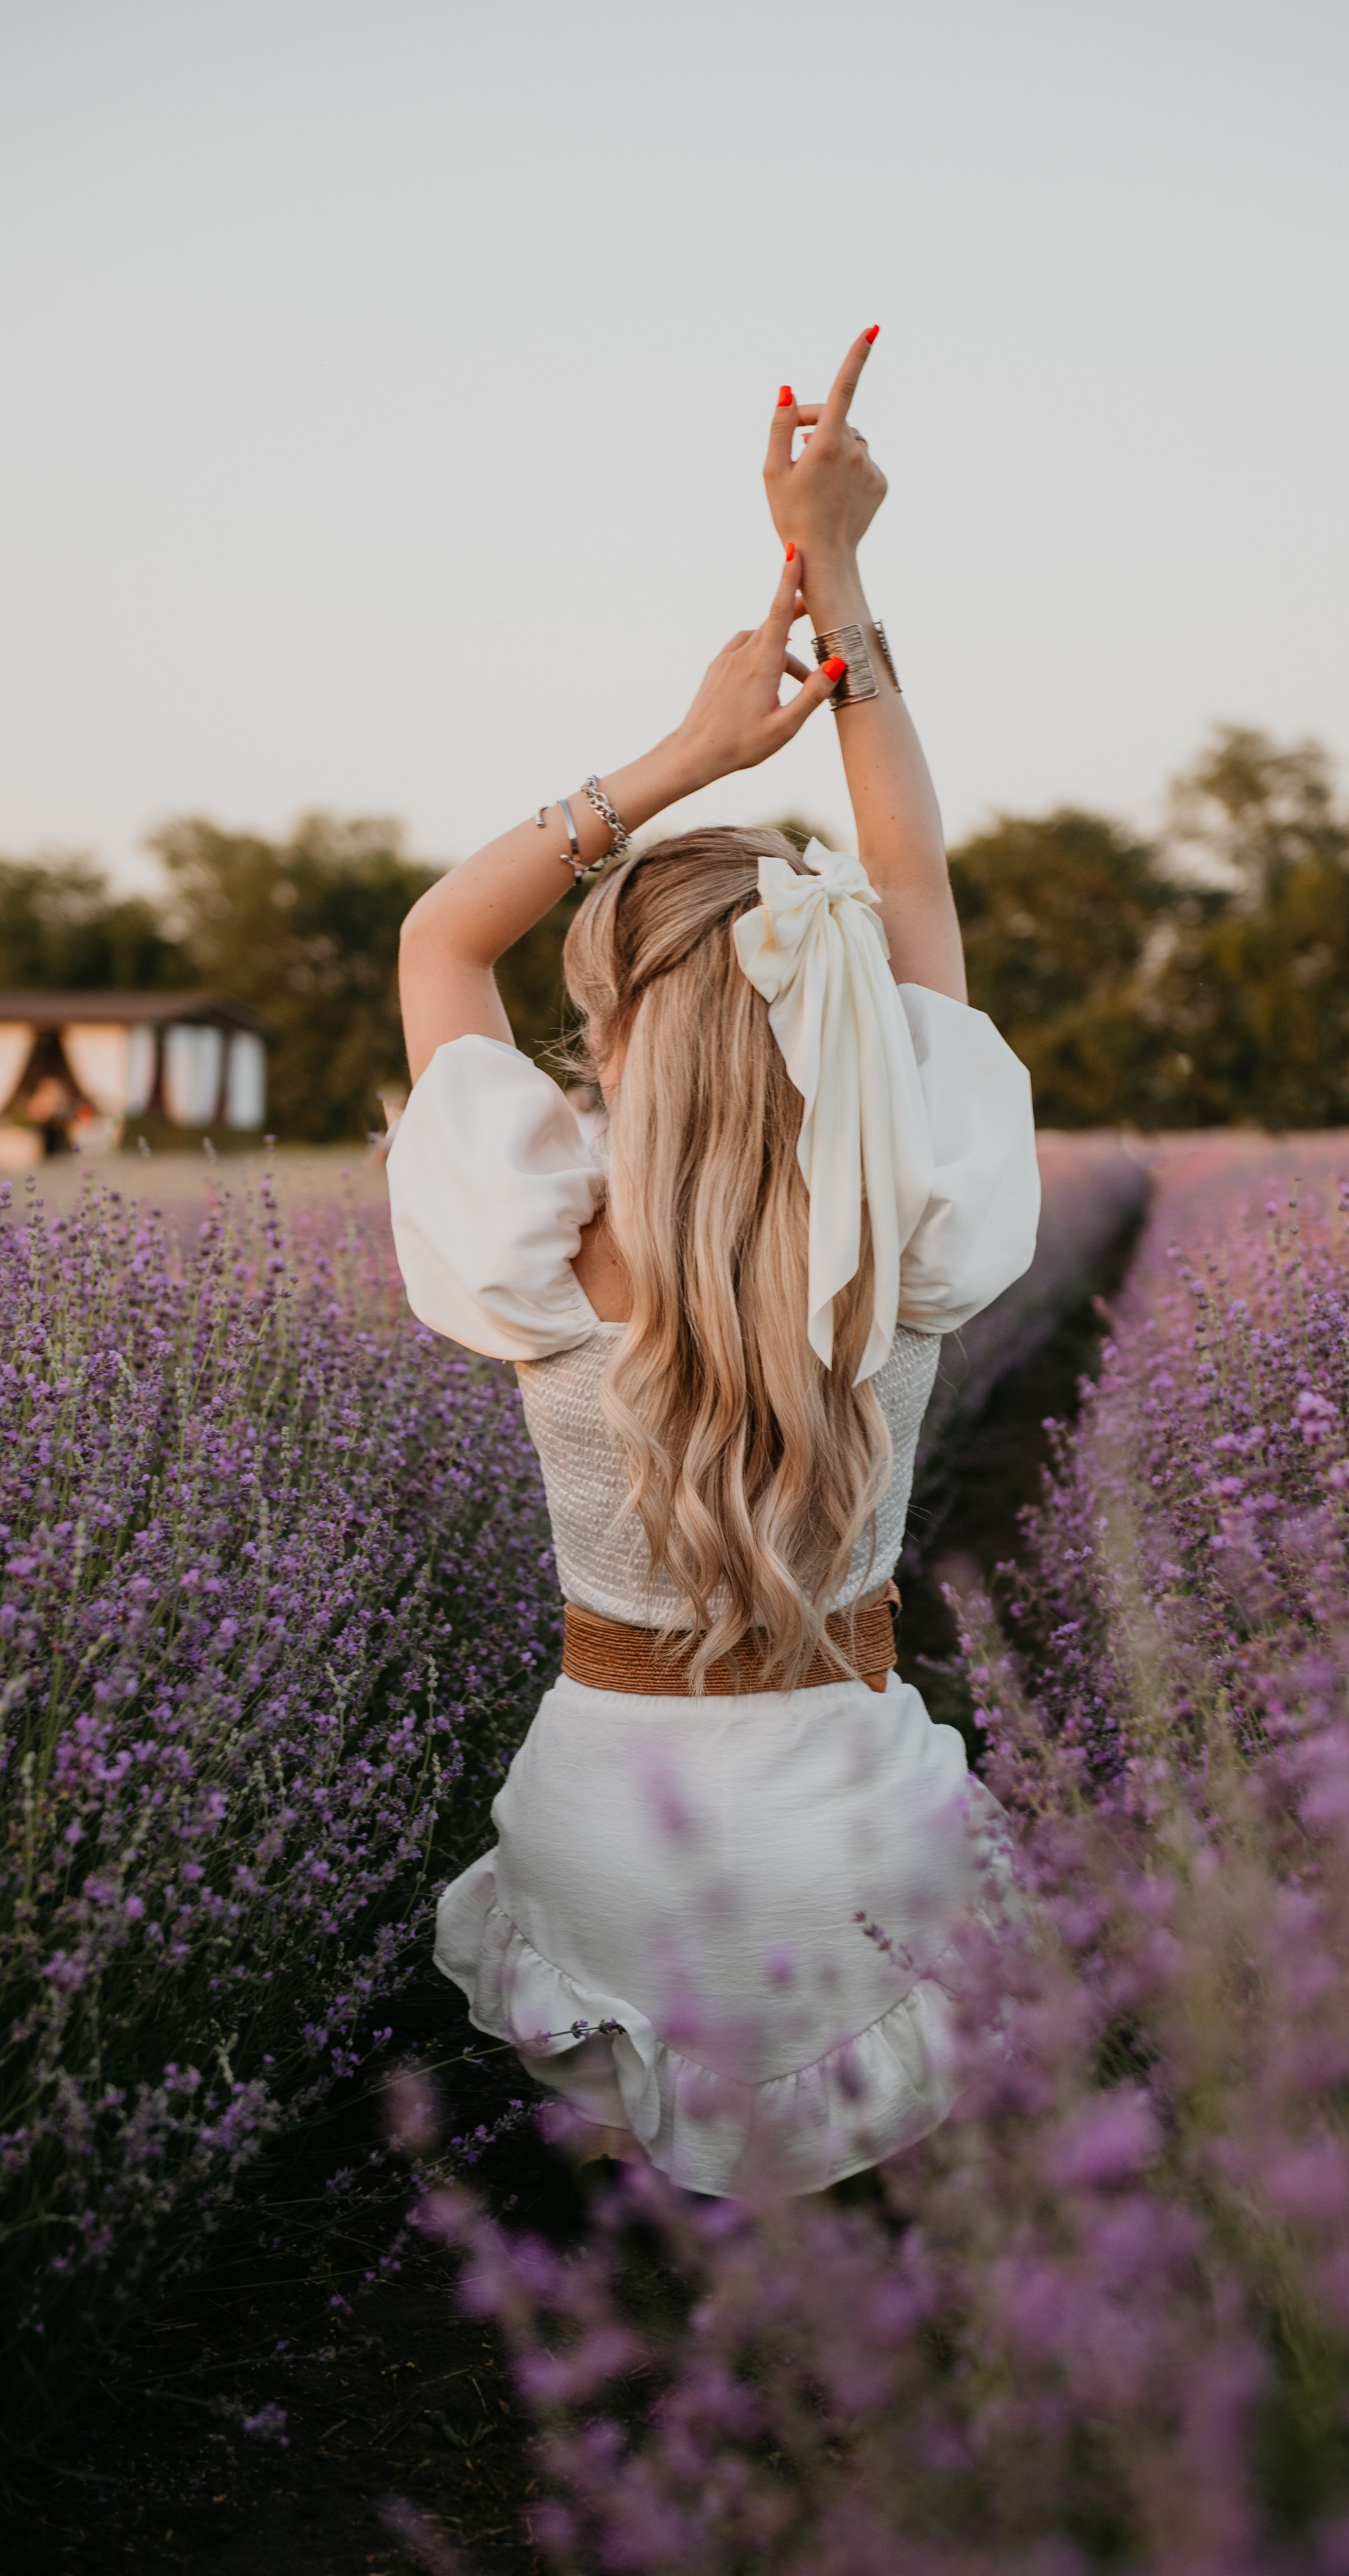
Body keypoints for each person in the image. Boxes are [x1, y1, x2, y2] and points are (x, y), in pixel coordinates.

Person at [389, 329, 1040, 2196]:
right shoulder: (909, 1201)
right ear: (834, 1007)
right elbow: (912, 886)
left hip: (614, 1825)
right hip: (852, 1840)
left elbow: (444, 940)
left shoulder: (530, 1228)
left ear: (609, 1019)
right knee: (906, 2021)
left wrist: (688, 750)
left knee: (646, 2117)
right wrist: (835, 567)